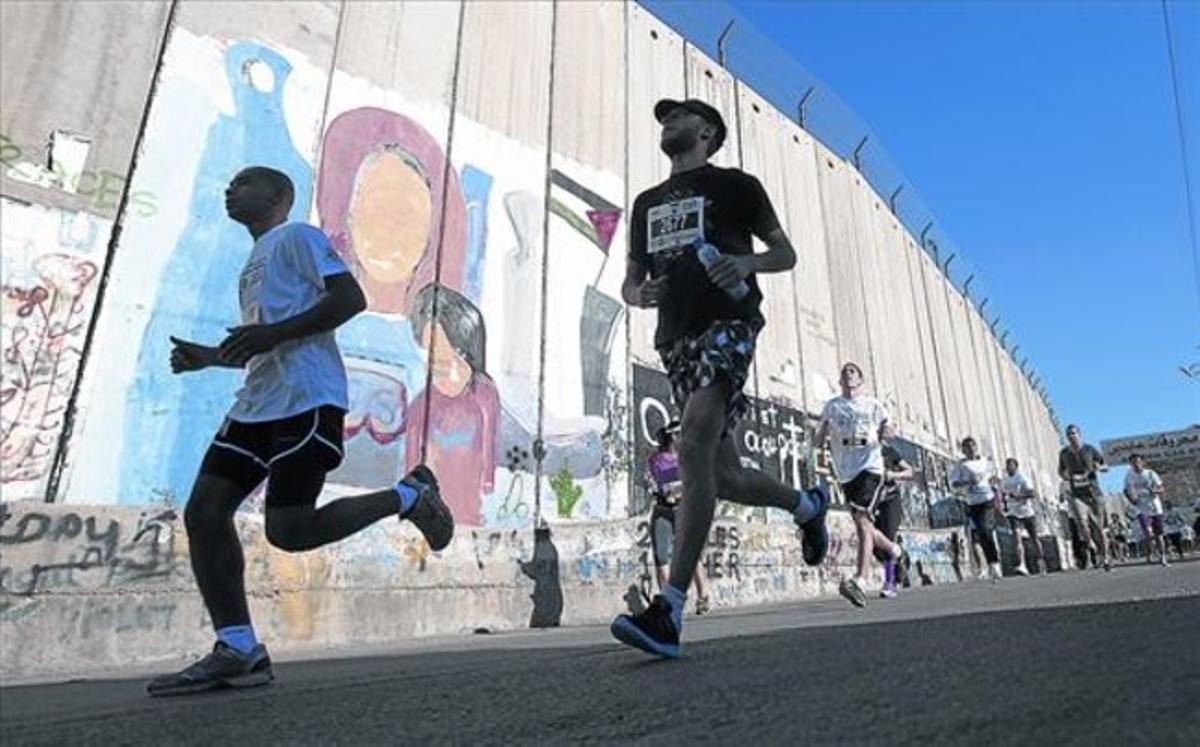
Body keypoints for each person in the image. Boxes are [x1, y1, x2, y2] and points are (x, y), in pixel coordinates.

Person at [147, 167, 454, 696]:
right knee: (203, 512)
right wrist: (211, 357)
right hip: (255, 406)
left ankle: (408, 495)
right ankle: (238, 647)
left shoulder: (297, 236)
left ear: (278, 196)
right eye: (231, 181)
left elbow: (349, 299)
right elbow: (265, 342)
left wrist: (270, 333)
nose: (231, 187)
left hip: (306, 401)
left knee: (288, 531)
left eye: (243, 181)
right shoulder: (254, 261)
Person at [610, 98, 829, 659]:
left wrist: (745, 264)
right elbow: (630, 281)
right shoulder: (646, 203)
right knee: (724, 475)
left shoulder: (738, 186)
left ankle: (669, 611)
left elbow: (786, 254)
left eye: (678, 116)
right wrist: (640, 295)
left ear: (706, 131)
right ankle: (806, 505)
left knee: (693, 445)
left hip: (728, 324)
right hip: (675, 339)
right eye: (661, 118)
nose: (667, 124)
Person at [816, 362, 905, 607]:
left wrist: (888, 431)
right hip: (846, 472)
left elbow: (889, 426)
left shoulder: (873, 405)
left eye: (852, 372)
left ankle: (861, 580)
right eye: (844, 372)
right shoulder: (832, 406)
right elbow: (819, 435)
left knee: (863, 522)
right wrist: (818, 439)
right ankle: (894, 551)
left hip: (870, 467)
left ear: (860, 380)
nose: (848, 374)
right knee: (860, 521)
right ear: (840, 381)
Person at [646, 421, 711, 614]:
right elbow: (651, 480)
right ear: (673, 437)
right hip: (663, 510)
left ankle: (703, 595)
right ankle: (668, 603)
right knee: (661, 557)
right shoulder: (657, 458)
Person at [1058, 424, 1111, 571]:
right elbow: (1061, 471)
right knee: (1081, 522)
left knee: (1098, 528)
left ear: (1079, 434)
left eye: (1073, 433)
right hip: (1077, 495)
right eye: (1068, 434)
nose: (1071, 436)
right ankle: (1091, 545)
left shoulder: (1089, 449)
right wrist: (1066, 476)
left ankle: (1104, 556)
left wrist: (1098, 468)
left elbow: (1105, 465)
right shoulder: (1064, 453)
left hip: (1094, 494)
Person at [949, 437, 1003, 582]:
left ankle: (994, 563)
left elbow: (994, 477)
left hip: (987, 500)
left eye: (973, 446)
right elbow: (953, 483)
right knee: (981, 534)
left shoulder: (985, 461)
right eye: (967, 447)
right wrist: (968, 481)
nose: (971, 449)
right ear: (963, 450)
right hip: (972, 503)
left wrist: (995, 486)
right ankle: (990, 563)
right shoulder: (961, 465)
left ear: (976, 447)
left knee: (986, 530)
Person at [875, 424, 914, 598]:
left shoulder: (889, 452)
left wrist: (893, 475)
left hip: (890, 499)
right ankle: (900, 555)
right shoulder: (861, 452)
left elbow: (909, 471)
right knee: (875, 545)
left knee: (888, 537)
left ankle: (889, 583)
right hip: (871, 502)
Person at [999, 458, 1044, 575]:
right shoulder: (1004, 480)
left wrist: (1019, 496)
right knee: (1016, 538)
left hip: (1027, 512)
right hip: (1013, 513)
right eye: (1007, 465)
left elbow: (1032, 493)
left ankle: (1041, 563)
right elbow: (1003, 494)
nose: (1008, 467)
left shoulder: (1022, 478)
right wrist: (1003, 505)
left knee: (1034, 538)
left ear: (1016, 467)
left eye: (1011, 465)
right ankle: (1021, 564)